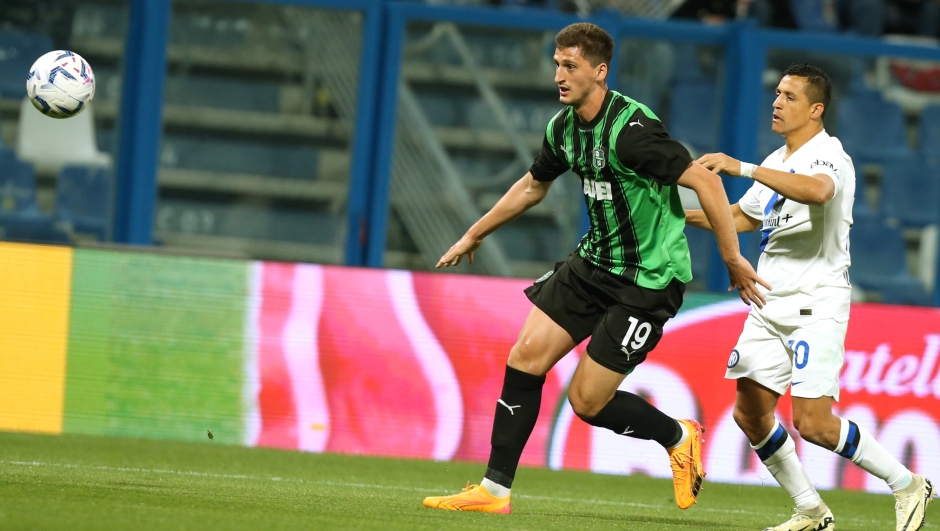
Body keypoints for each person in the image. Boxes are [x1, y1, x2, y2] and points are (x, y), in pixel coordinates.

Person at [422, 22, 768, 514]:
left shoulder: (633, 132)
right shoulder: (562, 128)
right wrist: (475, 232)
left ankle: (677, 435)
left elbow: (707, 186)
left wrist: (733, 259)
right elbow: (532, 185)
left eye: (571, 66)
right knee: (525, 357)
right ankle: (494, 491)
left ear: (599, 72)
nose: (559, 75)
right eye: (557, 64)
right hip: (593, 263)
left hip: (648, 280)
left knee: (587, 403)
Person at [686, 63, 933, 531]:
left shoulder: (830, 156)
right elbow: (739, 217)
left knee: (815, 424)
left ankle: (906, 484)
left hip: (816, 303)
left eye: (789, 96)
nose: (776, 102)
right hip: (768, 303)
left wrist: (740, 167)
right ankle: (810, 511)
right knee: (750, 414)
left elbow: (819, 193)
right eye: (776, 93)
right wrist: (670, 210)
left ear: (816, 109)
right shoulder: (776, 162)